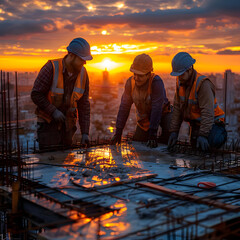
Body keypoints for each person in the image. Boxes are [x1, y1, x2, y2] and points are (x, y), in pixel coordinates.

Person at [31, 37, 92, 150]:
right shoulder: (51, 68)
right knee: (50, 160)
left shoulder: (83, 73)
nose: (84, 63)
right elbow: (36, 94)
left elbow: (84, 105)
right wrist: (53, 111)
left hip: (68, 127)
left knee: (65, 163)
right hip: (48, 126)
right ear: (71, 55)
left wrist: (85, 133)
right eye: (82, 59)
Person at [168, 52, 227, 151]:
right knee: (195, 148)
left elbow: (207, 113)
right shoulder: (180, 82)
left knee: (209, 143)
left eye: (181, 74)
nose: (179, 77)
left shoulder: (203, 84)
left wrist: (203, 135)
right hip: (196, 125)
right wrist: (174, 131)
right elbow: (177, 108)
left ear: (189, 70)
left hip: (214, 124)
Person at [111, 53, 171, 148]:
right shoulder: (130, 83)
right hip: (144, 119)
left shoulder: (156, 82)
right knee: (139, 142)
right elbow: (124, 107)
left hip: (163, 113)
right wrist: (118, 132)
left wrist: (152, 133)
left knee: (169, 135)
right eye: (135, 74)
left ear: (148, 74)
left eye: (140, 75)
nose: (136, 78)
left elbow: (157, 109)